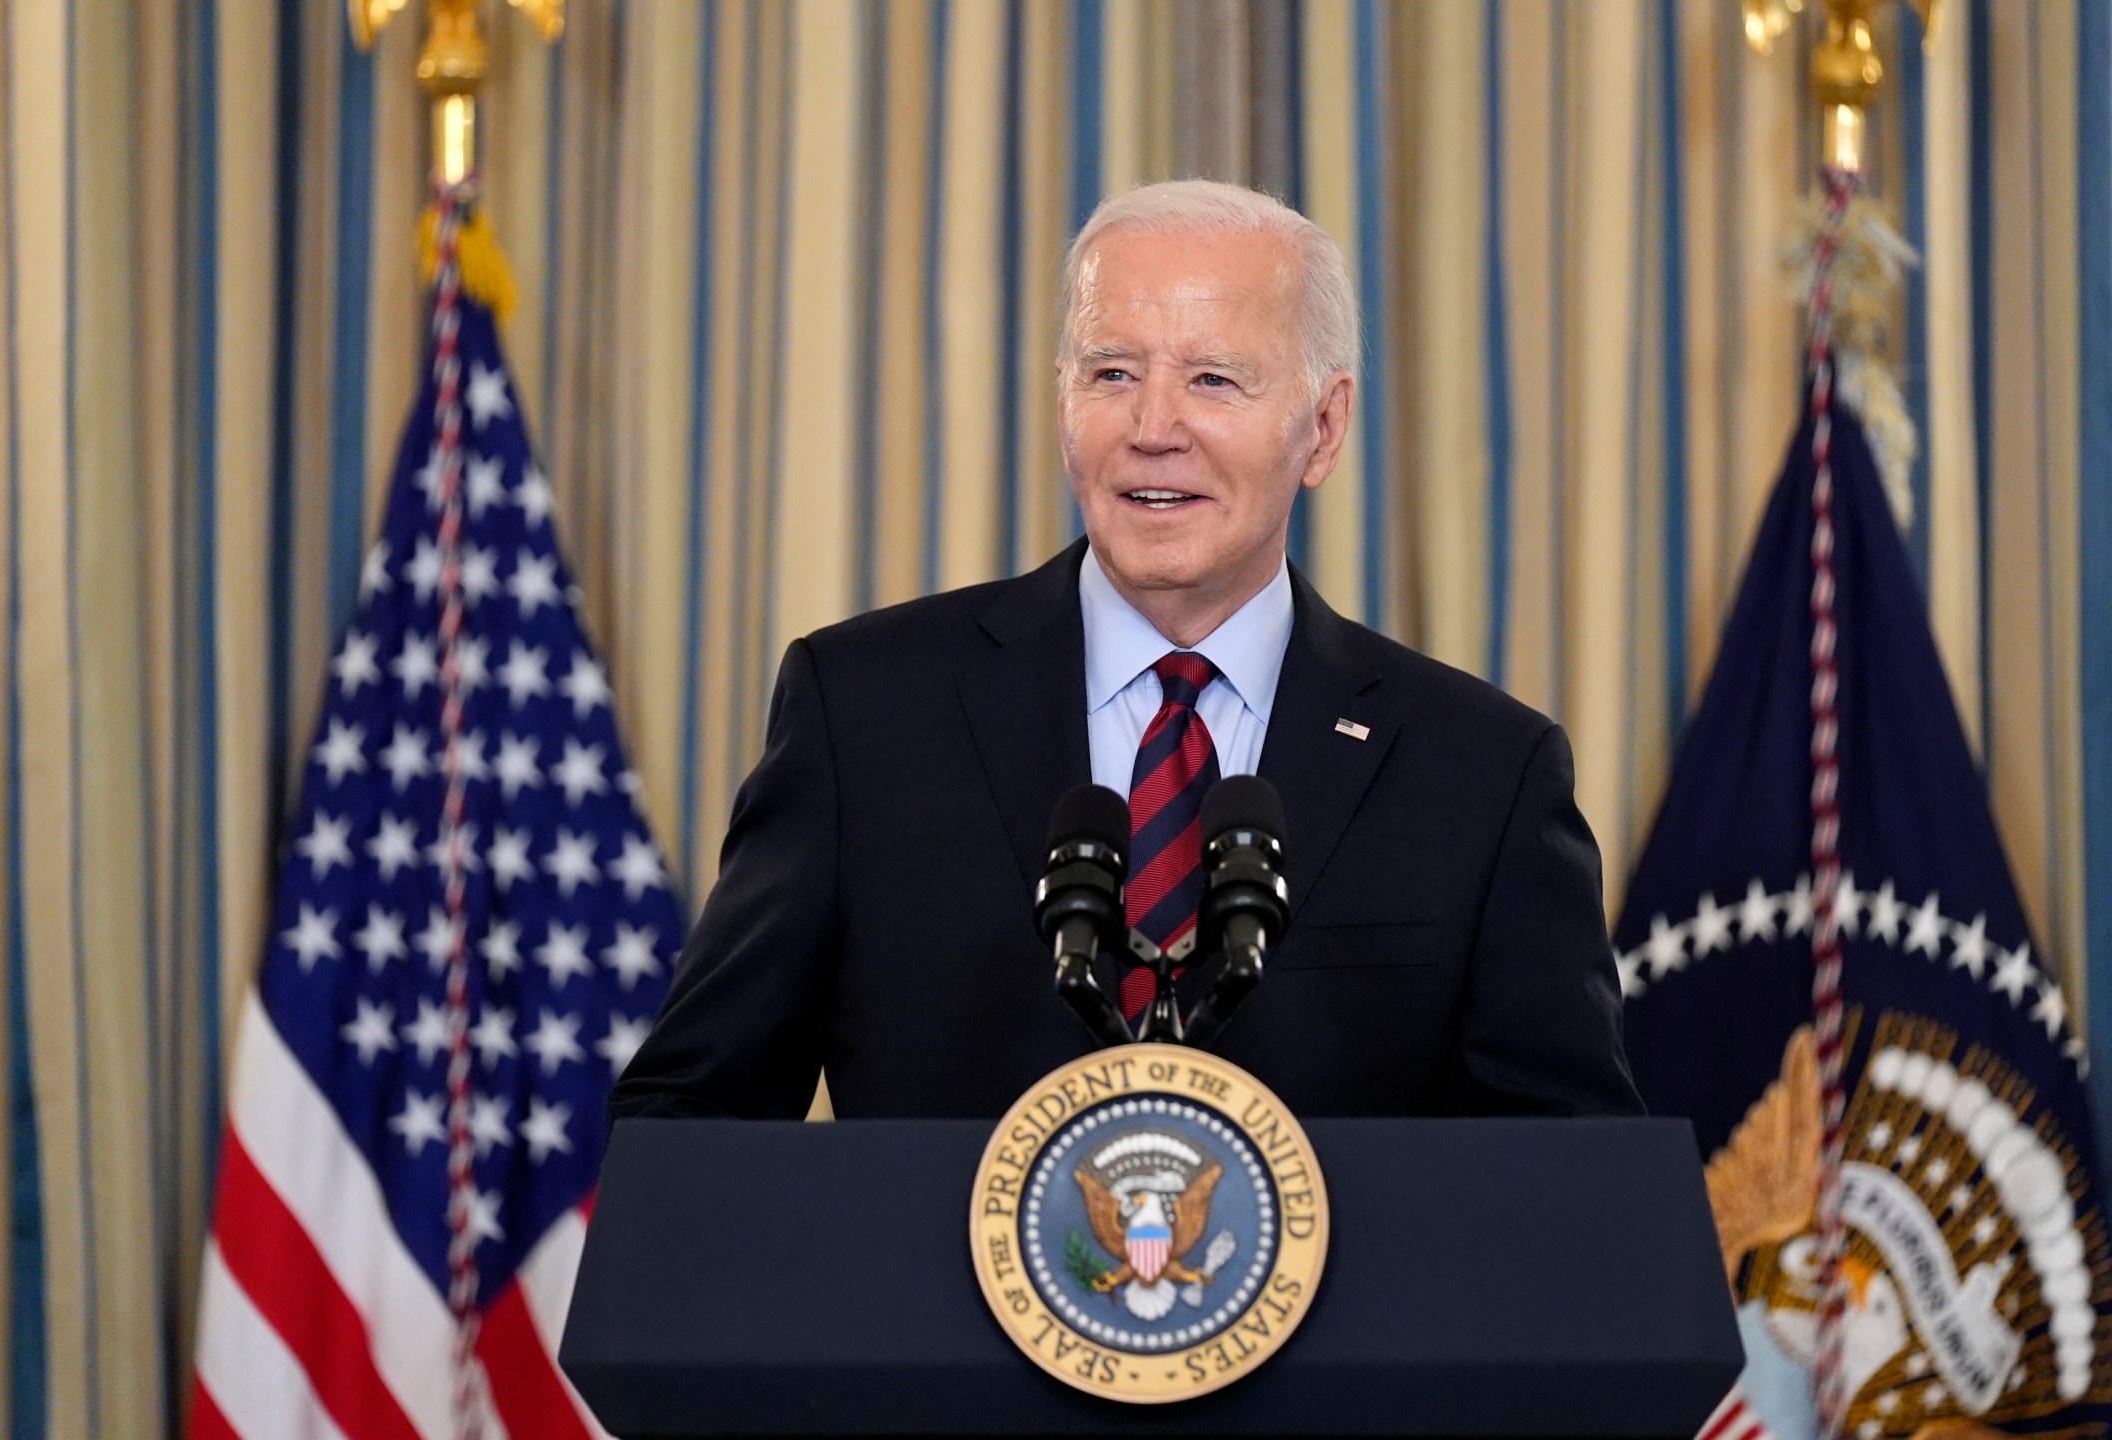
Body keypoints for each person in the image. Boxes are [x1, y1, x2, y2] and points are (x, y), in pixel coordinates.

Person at [609, 180, 1640, 1121]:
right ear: (1063, 404)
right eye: (1113, 372)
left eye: (1213, 381)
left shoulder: (1479, 774)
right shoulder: (866, 714)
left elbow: (1569, 1200)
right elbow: (690, 1126)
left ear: (1322, 429)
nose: (1154, 427)